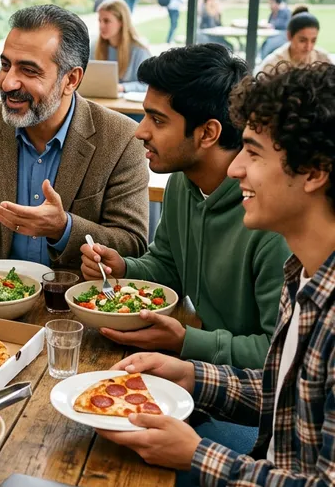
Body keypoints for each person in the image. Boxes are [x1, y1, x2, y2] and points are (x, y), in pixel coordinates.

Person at [97, 62, 335, 487]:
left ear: (313, 172)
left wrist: (201, 456)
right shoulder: (307, 274)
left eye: (252, 153)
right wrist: (193, 376)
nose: (234, 170)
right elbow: (287, 396)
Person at [80, 43, 289, 369]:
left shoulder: (271, 218)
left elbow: (278, 353)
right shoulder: (183, 182)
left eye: (157, 120)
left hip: (250, 399)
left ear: (208, 133)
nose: (140, 131)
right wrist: (122, 268)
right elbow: (168, 266)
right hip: (200, 367)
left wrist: (187, 341)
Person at [0, 4, 149, 267]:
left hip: (73, 298)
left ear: (71, 80)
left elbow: (132, 244)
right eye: (5, 65)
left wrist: (63, 228)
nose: (8, 82)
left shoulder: (121, 139)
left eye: (29, 70)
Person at [91, 0, 151, 93]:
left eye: (106, 21)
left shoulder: (139, 50)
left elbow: (148, 85)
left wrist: (122, 88)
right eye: (100, 21)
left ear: (122, 22)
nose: (101, 26)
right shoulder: (94, 47)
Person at [260, 7, 331, 73]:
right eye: (302, 40)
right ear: (289, 36)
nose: (308, 47)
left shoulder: (323, 59)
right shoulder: (272, 65)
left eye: (313, 41)